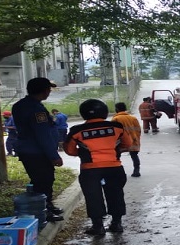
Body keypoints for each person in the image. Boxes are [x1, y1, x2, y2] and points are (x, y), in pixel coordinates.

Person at [63, 99, 132, 236]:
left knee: (93, 196)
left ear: (83, 114)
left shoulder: (77, 130)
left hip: (90, 169)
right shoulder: (116, 127)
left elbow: (70, 150)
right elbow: (128, 144)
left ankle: (98, 227)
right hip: (114, 167)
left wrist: (84, 154)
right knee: (116, 194)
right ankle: (116, 224)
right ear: (105, 112)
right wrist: (114, 151)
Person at [11, 77, 64, 222]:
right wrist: (54, 156)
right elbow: (43, 135)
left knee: (40, 179)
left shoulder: (20, 105)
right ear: (44, 91)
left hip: (28, 150)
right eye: (48, 89)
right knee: (44, 180)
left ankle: (46, 205)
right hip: (37, 152)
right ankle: (43, 210)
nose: (49, 92)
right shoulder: (36, 109)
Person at [111, 102, 142, 178]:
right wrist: (136, 139)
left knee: (117, 156)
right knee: (134, 155)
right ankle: (136, 171)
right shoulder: (133, 118)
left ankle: (117, 172)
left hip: (120, 141)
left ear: (117, 109)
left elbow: (113, 132)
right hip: (133, 140)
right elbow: (138, 130)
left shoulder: (116, 119)